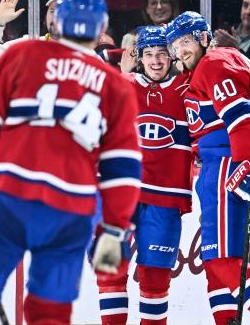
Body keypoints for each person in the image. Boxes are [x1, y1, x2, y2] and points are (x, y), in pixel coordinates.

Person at [0, 0, 141, 324]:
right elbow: (122, 168)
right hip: (71, 207)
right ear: (101, 28)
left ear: (57, 21)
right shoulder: (116, 85)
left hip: (9, 194)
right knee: (50, 314)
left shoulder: (21, 54)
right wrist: (115, 229)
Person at [165, 11, 250, 325]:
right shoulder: (207, 67)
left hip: (226, 165)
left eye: (184, 42)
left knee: (222, 261)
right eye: (175, 46)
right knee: (214, 262)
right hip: (219, 165)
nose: (180, 51)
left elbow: (243, 121)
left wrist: (243, 165)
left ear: (203, 38)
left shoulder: (213, 63)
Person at [96, 26, 192, 325]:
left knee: (155, 279)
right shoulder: (118, 85)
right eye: (149, 54)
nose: (155, 61)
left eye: (162, 54)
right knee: (111, 271)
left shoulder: (188, 89)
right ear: (139, 56)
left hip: (165, 196)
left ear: (172, 56)